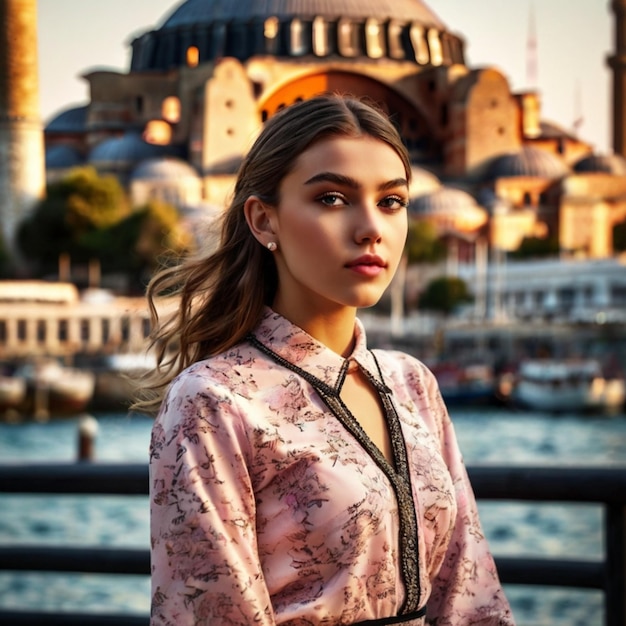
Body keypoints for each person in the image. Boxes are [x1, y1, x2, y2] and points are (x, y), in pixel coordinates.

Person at [138, 94, 515, 625]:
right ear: (264, 221)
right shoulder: (214, 400)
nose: (371, 228)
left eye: (391, 202)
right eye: (334, 199)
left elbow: (470, 592)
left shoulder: (411, 383)